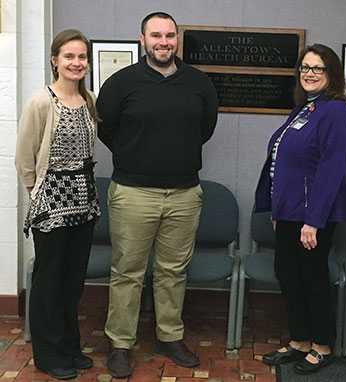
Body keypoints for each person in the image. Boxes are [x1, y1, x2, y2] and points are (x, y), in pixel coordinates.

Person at [96, 11, 218, 378]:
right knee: (128, 272)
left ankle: (169, 335)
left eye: (169, 36)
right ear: (142, 39)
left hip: (184, 194)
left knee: (173, 271)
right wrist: (138, 154)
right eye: (156, 36)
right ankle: (120, 343)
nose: (163, 42)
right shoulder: (121, 83)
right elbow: (107, 129)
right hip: (133, 193)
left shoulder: (199, 84)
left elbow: (205, 128)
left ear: (177, 39)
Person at [254, 44, 346, 374]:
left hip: (313, 216)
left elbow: (332, 169)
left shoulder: (337, 112)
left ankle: (322, 345)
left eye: (318, 68)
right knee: (289, 275)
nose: (309, 74)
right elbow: (285, 161)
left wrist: (313, 221)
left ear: (332, 75)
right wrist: (277, 210)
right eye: (305, 68)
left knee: (312, 278)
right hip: (289, 214)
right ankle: (299, 340)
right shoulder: (304, 109)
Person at [15, 29, 100, 380]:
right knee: (49, 279)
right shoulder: (41, 101)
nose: (76, 63)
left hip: (84, 199)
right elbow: (25, 156)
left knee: (73, 280)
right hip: (52, 200)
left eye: (81, 57)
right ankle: (47, 355)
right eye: (69, 56)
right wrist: (35, 192)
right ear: (55, 60)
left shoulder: (89, 100)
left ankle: (68, 346)